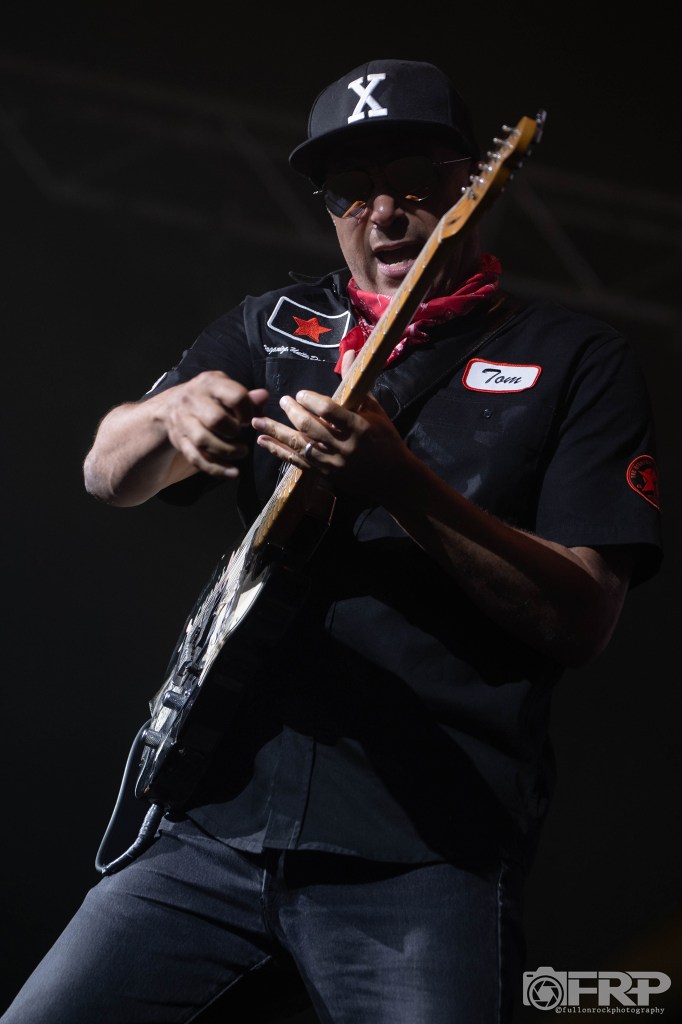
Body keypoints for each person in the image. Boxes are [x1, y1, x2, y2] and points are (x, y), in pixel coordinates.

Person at [2, 58, 662, 1024]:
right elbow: (108, 472)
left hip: (421, 855)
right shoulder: (272, 325)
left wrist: (403, 485)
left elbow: (583, 615)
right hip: (212, 830)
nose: (383, 213)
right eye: (352, 191)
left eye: (416, 183)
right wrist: (170, 416)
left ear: (472, 189)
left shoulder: (572, 360)